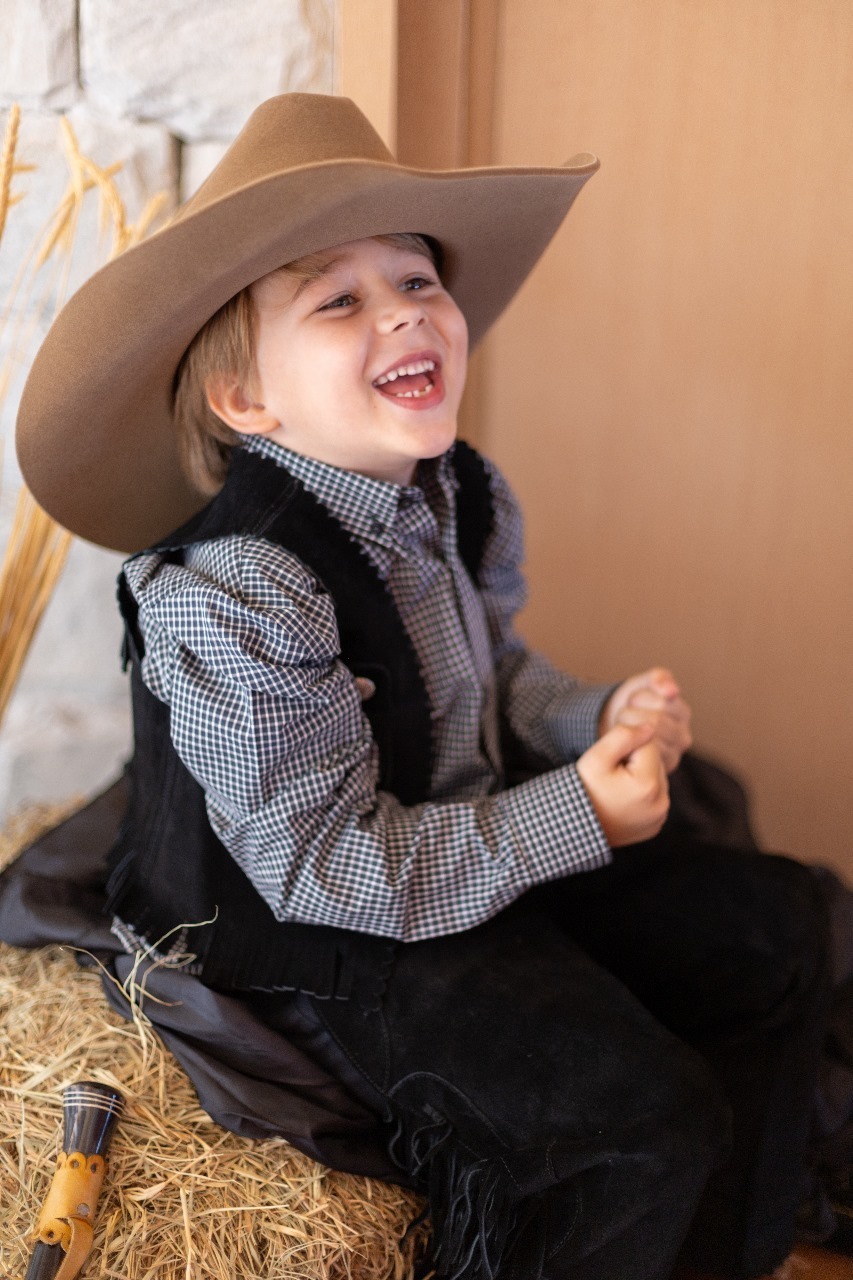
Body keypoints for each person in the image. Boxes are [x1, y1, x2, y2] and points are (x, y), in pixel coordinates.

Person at [14, 93, 831, 1280]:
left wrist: (593, 717)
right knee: (632, 1124)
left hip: (450, 842)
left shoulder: (452, 494)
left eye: (415, 279)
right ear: (248, 401)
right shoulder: (238, 590)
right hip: (318, 933)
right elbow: (323, 866)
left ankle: (722, 1252)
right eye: (338, 300)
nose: (403, 309)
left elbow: (486, 670)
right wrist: (577, 813)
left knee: (780, 923)